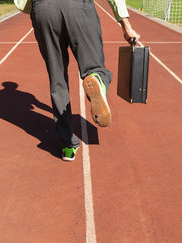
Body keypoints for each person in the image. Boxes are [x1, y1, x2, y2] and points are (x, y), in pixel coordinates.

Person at [30, 0, 140, 161]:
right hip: (78, 7)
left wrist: (37, 9)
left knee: (57, 78)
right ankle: (97, 79)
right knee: (94, 67)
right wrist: (125, 24)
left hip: (43, 9)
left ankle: (67, 145)